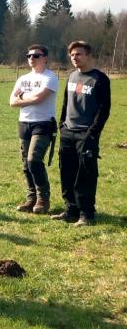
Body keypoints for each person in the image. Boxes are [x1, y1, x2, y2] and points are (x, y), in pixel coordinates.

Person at [51, 41, 111, 226]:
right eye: (72, 55)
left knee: (85, 174)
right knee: (66, 172)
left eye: (78, 54)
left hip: (86, 134)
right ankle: (71, 210)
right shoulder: (71, 77)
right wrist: (62, 125)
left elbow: (104, 109)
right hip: (68, 132)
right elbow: (65, 104)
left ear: (88, 55)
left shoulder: (99, 79)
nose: (74, 58)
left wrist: (93, 133)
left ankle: (87, 214)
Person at [9, 44, 58, 214]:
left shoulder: (50, 77)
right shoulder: (23, 79)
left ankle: (43, 199)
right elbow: (11, 102)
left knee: (34, 160)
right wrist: (25, 98)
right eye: (29, 55)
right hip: (24, 123)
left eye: (36, 55)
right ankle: (31, 199)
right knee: (25, 164)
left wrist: (22, 96)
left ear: (45, 58)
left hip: (43, 124)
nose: (31, 58)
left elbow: (39, 98)